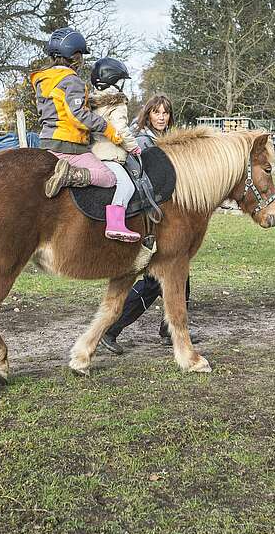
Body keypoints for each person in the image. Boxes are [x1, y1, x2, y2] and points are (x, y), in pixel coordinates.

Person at [99, 94, 202, 354]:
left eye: (165, 113)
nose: (161, 117)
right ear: (148, 114)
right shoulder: (143, 140)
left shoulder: (167, 138)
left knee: (181, 273)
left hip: (166, 214)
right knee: (154, 281)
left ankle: (170, 330)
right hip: (150, 216)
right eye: (156, 112)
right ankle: (111, 329)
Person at [31, 28, 139, 243]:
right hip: (69, 145)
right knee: (109, 178)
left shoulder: (44, 80)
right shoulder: (71, 81)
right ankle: (72, 175)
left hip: (47, 141)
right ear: (74, 55)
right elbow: (78, 115)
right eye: (80, 55)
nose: (81, 60)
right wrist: (110, 131)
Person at [87, 57, 143, 241]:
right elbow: (120, 129)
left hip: (93, 154)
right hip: (110, 156)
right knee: (126, 186)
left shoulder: (93, 103)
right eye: (120, 81)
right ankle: (115, 225)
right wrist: (133, 147)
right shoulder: (117, 103)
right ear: (113, 82)